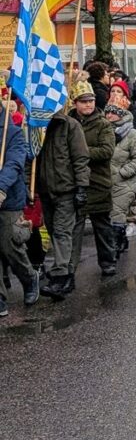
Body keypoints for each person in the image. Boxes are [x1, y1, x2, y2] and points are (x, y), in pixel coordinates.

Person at [36, 104, 91, 299]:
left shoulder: (70, 126)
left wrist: (82, 187)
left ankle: (59, 277)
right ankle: (68, 275)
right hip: (45, 190)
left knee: (61, 232)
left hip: (66, 190)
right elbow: (31, 159)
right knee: (54, 232)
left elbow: (80, 158)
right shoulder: (36, 126)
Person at [68, 82, 117, 278]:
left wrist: (80, 153)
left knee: (102, 226)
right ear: (75, 103)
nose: (88, 105)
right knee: (74, 227)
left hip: (98, 181)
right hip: (74, 182)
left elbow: (107, 150)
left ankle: (107, 261)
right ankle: (69, 267)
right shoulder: (68, 122)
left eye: (91, 101)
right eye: (84, 101)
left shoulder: (102, 123)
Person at [0, 106, 36, 316]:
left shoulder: (11, 131)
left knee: (8, 245)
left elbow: (14, 163)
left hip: (8, 198)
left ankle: (29, 277)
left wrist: (1, 187)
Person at [104, 103, 136, 258]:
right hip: (104, 180)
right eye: (107, 113)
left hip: (124, 183)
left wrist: (122, 173)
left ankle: (114, 249)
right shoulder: (103, 131)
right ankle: (120, 241)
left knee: (117, 213)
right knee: (107, 215)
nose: (109, 116)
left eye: (113, 113)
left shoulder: (132, 134)